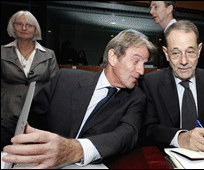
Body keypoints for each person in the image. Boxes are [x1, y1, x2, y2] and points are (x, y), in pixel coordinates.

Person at [1, 29, 156, 169]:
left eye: (144, 64)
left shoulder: (136, 97)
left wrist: (74, 149)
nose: (141, 71)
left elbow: (127, 135)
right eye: (136, 61)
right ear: (113, 57)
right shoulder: (65, 79)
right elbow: (26, 122)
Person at [139, 20, 204, 153]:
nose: (184, 61)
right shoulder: (150, 83)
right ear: (166, 54)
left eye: (190, 52)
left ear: (199, 50)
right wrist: (180, 138)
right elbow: (147, 129)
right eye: (176, 53)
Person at [1, 10, 59, 120]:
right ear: (13, 27)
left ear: (35, 29)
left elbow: (54, 85)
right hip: (6, 111)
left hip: (39, 111)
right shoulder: (2, 52)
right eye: (19, 24)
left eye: (29, 25)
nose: (24, 28)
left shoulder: (49, 54)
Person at [149, 1, 204, 70]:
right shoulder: (165, 34)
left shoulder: (182, 32)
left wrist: (187, 76)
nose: (151, 11)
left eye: (156, 7)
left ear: (169, 9)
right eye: (151, 8)